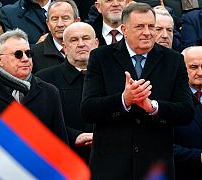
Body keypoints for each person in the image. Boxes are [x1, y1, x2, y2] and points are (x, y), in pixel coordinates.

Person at [81, 3, 194, 179]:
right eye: (140, 26)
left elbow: (186, 112)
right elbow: (88, 109)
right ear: (124, 29)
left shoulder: (174, 60)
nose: (148, 32)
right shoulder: (100, 57)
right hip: (111, 167)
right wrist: (124, 100)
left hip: (155, 167)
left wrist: (153, 107)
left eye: (151, 26)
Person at [0, 28, 68, 161]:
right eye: (18, 54)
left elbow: (60, 145)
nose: (25, 59)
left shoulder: (49, 92)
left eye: (28, 53)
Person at [36, 22, 98, 163]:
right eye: (74, 40)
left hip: (107, 160)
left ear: (96, 43)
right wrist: (74, 136)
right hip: (62, 160)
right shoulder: (44, 79)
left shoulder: (113, 75)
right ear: (64, 47)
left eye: (86, 38)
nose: (81, 44)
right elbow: (39, 122)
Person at [173, 46, 202, 180]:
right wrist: (198, 157)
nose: (200, 72)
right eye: (194, 67)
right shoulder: (170, 99)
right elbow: (162, 145)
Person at [32, 0, 80, 73]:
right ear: (48, 24)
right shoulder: (34, 55)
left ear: (77, 21)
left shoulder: (88, 50)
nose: (59, 24)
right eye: (55, 19)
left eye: (65, 18)